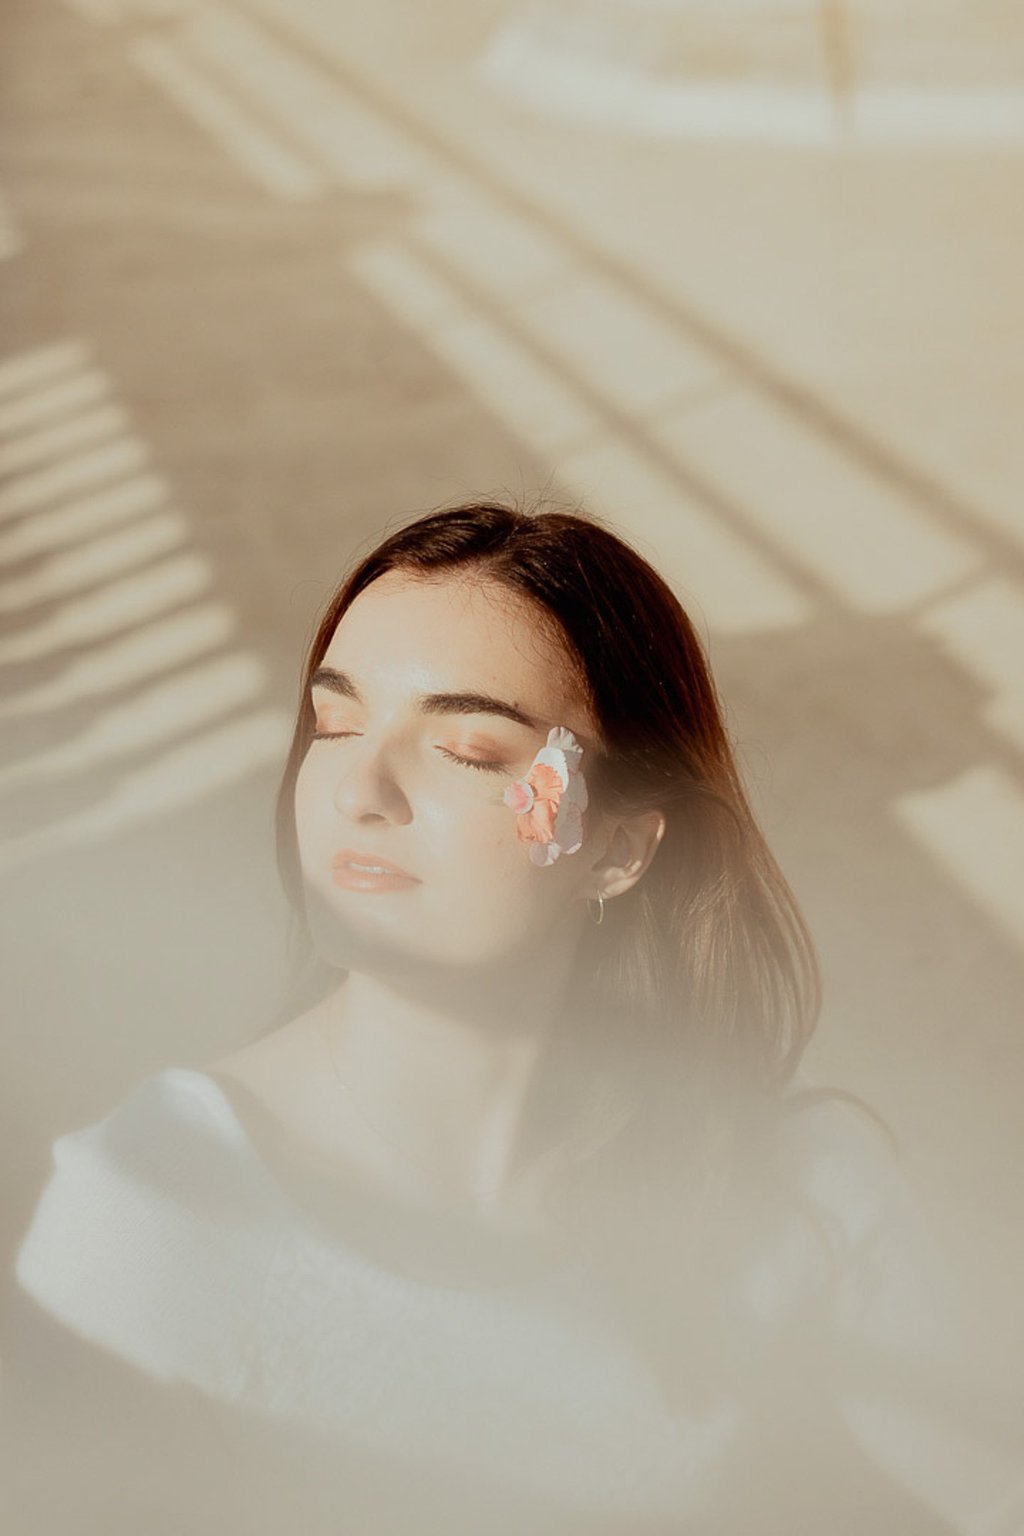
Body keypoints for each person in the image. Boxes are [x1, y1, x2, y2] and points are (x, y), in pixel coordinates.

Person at [2, 499, 1021, 1534]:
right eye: (336, 721)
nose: (359, 787)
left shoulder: (793, 1173)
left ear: (619, 849)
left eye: (470, 751)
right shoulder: (153, 1200)